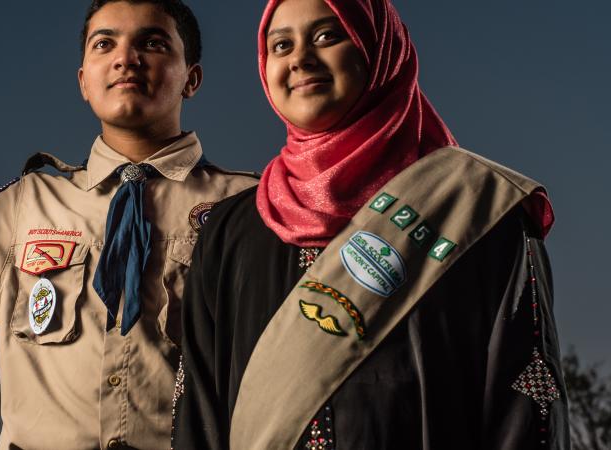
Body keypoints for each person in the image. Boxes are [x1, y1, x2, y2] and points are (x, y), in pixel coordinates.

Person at [0, 1, 257, 448]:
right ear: (83, 81)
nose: (126, 58)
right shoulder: (27, 206)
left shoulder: (247, 206)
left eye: (153, 43)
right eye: (104, 43)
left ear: (191, 79)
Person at [172, 0, 569, 449]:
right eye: (281, 45)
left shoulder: (476, 210)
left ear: (381, 50)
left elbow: (524, 406)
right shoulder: (229, 230)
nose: (300, 58)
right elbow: (198, 412)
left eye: (327, 36)